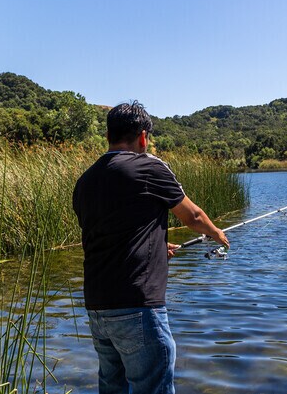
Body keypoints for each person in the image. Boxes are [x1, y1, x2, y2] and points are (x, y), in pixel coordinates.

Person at [72, 101, 229, 394]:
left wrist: (154, 245)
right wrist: (216, 232)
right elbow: (192, 216)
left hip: (96, 308)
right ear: (143, 137)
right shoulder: (148, 166)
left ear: (108, 135)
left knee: (112, 388)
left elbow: (107, 236)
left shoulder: (85, 181)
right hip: (137, 305)